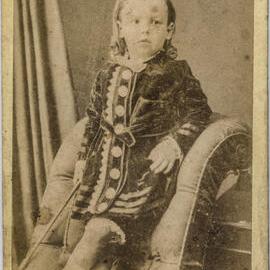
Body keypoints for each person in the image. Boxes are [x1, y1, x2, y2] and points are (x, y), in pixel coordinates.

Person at [26, 0, 212, 269]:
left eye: (155, 22)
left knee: (97, 232)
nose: (145, 30)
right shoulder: (106, 74)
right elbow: (94, 123)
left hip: (142, 182)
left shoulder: (175, 72)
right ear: (120, 27)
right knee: (81, 237)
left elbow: (199, 111)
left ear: (169, 30)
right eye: (135, 21)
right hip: (99, 180)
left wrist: (174, 143)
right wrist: (82, 160)